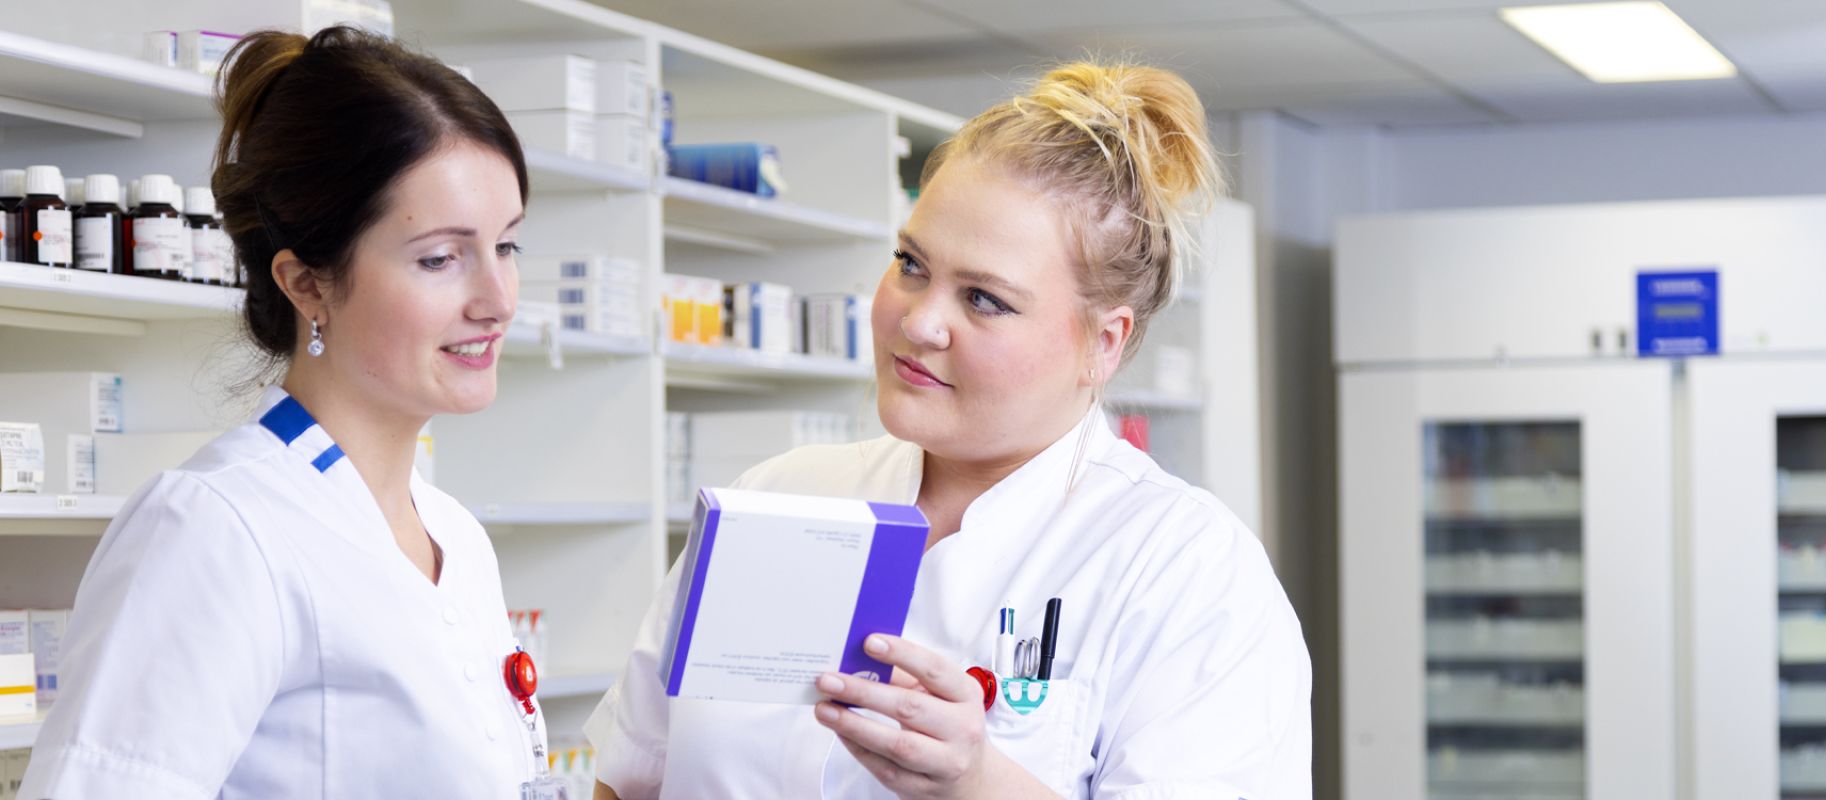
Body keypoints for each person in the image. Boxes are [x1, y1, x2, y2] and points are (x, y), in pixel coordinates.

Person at [586, 61, 1312, 799]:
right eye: (910, 264)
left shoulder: (1186, 572)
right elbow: (630, 773)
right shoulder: (780, 497)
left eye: (984, 299)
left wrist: (978, 782)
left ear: (1104, 343)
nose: (920, 321)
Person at [21, 27, 546, 799]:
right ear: (306, 284)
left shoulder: (456, 540)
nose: (497, 301)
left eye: (506, 247)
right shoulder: (217, 528)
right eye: (440, 258)